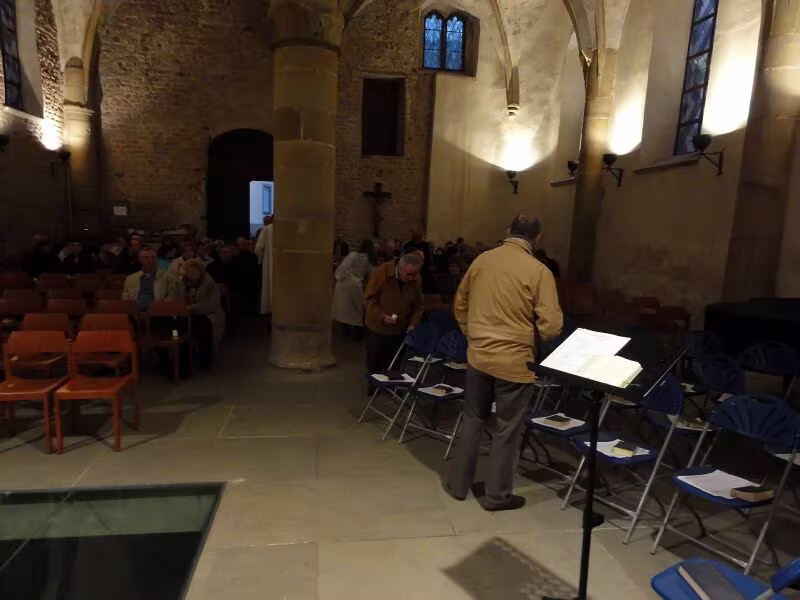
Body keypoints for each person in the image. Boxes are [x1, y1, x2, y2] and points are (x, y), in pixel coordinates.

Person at [442, 214, 563, 512]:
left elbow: (460, 303)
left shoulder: (482, 261)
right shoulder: (539, 270)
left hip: (479, 355)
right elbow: (551, 325)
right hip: (514, 362)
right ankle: (497, 496)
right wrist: (533, 337)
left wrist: (473, 334)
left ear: (508, 231)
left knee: (472, 418)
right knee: (507, 429)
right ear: (537, 238)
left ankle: (458, 485)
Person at [363, 253, 424, 375]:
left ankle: (392, 382)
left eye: (415, 274)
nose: (412, 278)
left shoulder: (416, 279)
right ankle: (374, 382)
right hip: (378, 327)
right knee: (375, 362)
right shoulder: (382, 272)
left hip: (400, 328)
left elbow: (418, 305)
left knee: (394, 362)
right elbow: (369, 298)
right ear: (399, 269)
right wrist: (382, 316)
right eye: (409, 274)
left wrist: (413, 323)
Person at [168, 258, 225, 370]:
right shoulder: (180, 283)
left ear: (201, 272)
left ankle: (205, 360)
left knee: (204, 325)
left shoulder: (209, 283)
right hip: (184, 314)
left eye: (194, 271)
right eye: (189, 271)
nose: (191, 274)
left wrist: (194, 307)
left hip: (206, 313)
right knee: (177, 328)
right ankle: (181, 362)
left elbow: (213, 304)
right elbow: (174, 298)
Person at [333, 239, 377, 339]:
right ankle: (357, 333)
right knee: (356, 310)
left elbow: (343, 266)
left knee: (345, 309)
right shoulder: (368, 259)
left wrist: (338, 276)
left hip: (345, 284)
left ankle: (347, 332)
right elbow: (372, 274)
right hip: (356, 285)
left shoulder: (354, 255)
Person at [254, 215, 273, 315]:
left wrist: (260, 261)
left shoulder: (267, 230)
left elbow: (258, 249)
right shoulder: (288, 229)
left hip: (270, 263)